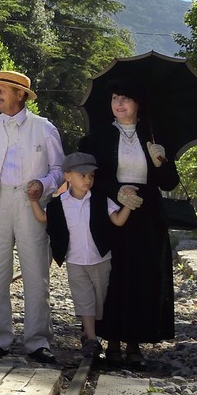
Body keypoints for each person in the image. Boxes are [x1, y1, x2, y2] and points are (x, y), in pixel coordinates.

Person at [77, 82, 180, 368]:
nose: (118, 104)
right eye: (114, 98)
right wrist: (117, 192)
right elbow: (92, 177)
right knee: (114, 277)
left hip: (147, 216)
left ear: (137, 104)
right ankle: (111, 341)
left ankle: (134, 342)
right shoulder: (98, 136)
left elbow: (170, 183)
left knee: (142, 277)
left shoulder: (154, 136)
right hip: (112, 211)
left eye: (125, 98)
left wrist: (161, 162)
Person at [0, 70, 65, 363]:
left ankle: (37, 341)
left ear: (20, 94)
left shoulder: (44, 128)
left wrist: (43, 185)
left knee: (36, 271)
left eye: (2, 90)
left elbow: (59, 170)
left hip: (31, 203)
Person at [29, 152, 133, 362]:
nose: (88, 180)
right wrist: (33, 200)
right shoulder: (60, 204)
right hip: (75, 261)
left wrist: (129, 206)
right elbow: (42, 217)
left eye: (91, 176)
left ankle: (91, 332)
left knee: (101, 298)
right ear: (67, 177)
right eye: (82, 175)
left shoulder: (101, 200)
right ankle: (92, 340)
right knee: (84, 299)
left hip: (101, 259)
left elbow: (118, 221)